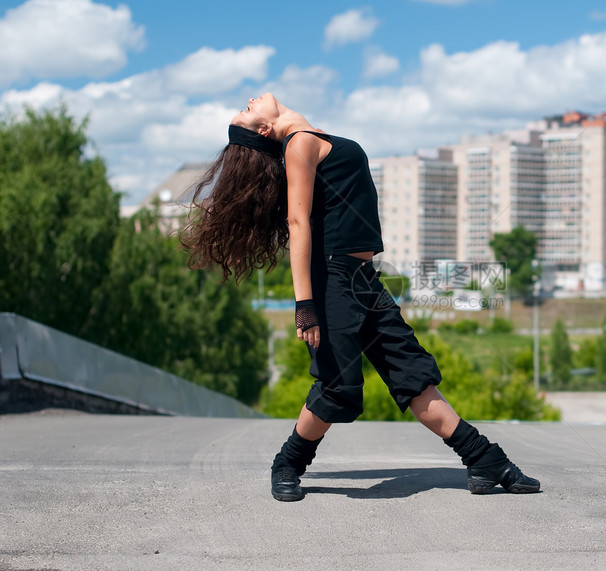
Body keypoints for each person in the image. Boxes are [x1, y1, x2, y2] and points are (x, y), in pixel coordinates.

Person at [181, 93, 539, 501]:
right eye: (246, 111)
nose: (249, 101)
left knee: (411, 372)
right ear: (265, 129)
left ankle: (482, 458)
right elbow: (298, 225)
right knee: (338, 386)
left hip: (361, 278)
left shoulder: (310, 138)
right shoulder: (298, 143)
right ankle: (287, 464)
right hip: (333, 276)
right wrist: (305, 306)